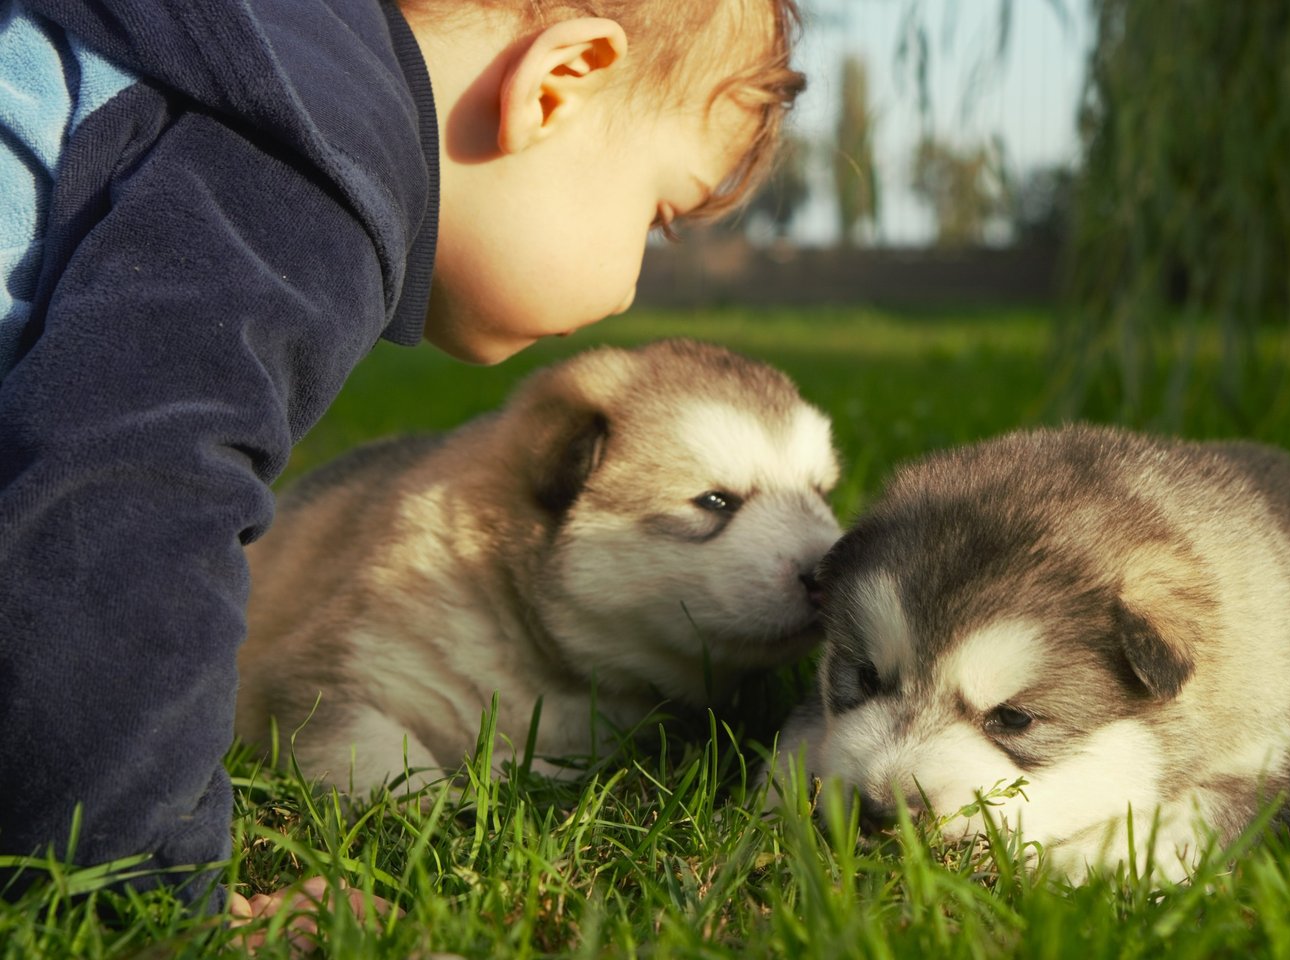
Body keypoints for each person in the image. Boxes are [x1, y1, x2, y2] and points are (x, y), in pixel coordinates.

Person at [0, 0, 803, 924]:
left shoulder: (250, 67)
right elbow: (127, 506)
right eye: (658, 215)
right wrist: (144, 891)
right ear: (559, 84)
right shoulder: (303, 160)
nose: (631, 286)